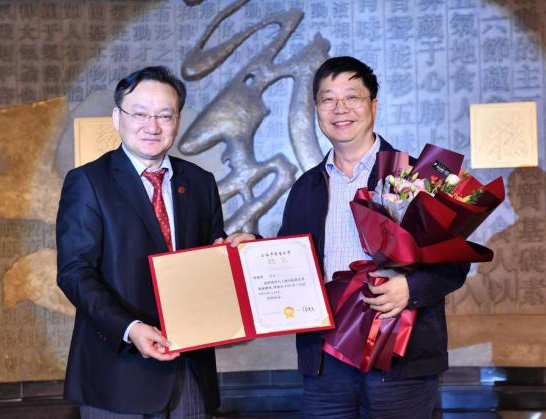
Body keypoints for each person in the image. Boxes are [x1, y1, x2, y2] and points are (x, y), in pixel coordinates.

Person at [278, 56, 471, 418]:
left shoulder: (415, 175)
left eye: (352, 97)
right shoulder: (306, 187)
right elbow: (288, 260)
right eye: (328, 99)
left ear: (374, 105)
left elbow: (455, 262)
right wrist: (250, 246)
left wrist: (411, 289)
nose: (340, 109)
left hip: (400, 358)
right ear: (316, 109)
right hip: (325, 364)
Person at [56, 66, 252, 418]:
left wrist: (241, 252)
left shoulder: (200, 182)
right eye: (140, 114)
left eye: (165, 115)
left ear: (177, 121)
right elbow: (74, 272)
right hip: (116, 373)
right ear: (117, 117)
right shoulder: (88, 182)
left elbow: (211, 257)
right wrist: (130, 329)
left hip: (188, 370)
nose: (153, 126)